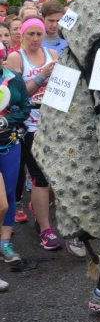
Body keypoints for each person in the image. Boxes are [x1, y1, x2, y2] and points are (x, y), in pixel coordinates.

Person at [5, 17, 77, 253]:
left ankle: (41, 210)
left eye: (39, 34)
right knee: (40, 177)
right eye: (30, 34)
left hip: (52, 123)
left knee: (57, 177)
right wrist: (41, 76)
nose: (35, 39)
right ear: (23, 36)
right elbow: (15, 96)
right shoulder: (16, 58)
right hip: (28, 125)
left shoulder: (52, 55)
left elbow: (62, 90)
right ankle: (46, 229)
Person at [0, 51, 33, 275]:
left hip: (10, 143)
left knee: (10, 194)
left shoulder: (14, 79)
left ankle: (5, 242)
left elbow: (25, 109)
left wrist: (5, 119)